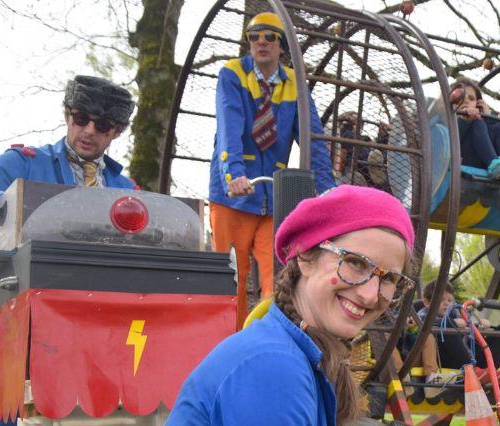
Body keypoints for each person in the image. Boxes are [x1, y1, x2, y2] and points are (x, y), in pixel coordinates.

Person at [168, 185, 416, 425]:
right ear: (305, 256)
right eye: (355, 263)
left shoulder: (288, 348)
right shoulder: (274, 366)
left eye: (389, 278)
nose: (370, 295)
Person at [209, 12, 336, 328]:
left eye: (270, 37)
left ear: (282, 46)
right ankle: (227, 341)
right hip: (235, 195)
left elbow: (312, 139)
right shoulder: (233, 74)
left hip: (273, 197)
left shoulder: (294, 83)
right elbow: (230, 126)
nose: (261, 43)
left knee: (279, 279)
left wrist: (328, 189)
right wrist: (233, 175)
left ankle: (269, 339)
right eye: (255, 36)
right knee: (230, 280)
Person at [0, 75, 137, 206]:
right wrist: (14, 209)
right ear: (67, 116)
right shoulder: (24, 163)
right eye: (81, 118)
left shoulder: (129, 190)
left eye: (102, 125)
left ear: (117, 132)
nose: (89, 131)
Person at [401, 280, 500, 397]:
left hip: (469, 355)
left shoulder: (456, 314)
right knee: (447, 326)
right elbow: (421, 324)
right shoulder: (422, 315)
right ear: (427, 302)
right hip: (445, 358)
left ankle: (489, 371)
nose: (446, 304)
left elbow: (466, 325)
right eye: (441, 300)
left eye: (449, 300)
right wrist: (453, 323)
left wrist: (480, 325)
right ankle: (473, 371)